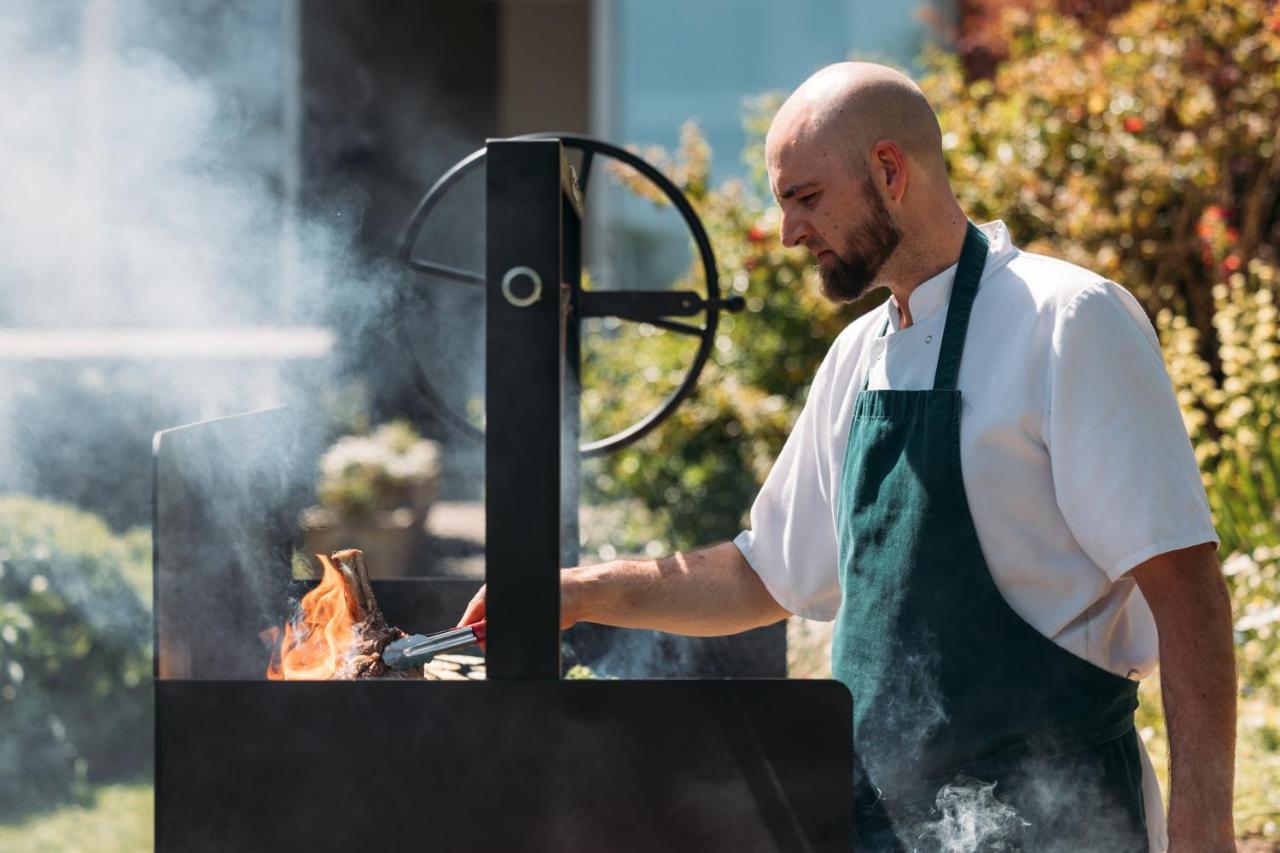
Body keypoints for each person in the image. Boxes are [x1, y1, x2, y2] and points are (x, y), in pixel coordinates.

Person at [459, 62, 1236, 852]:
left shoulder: (1068, 320)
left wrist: (1205, 828)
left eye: (805, 197)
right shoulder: (859, 357)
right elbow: (763, 574)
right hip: (884, 827)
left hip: (1061, 821)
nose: (790, 231)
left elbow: (1187, 589)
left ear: (890, 171)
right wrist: (575, 592)